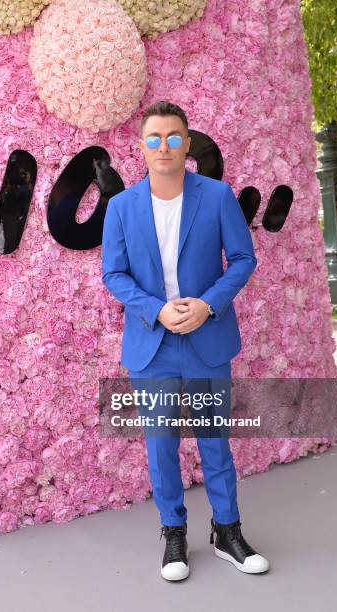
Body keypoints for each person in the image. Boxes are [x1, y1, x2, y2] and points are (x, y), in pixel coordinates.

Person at [101, 101, 269, 581]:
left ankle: (227, 531)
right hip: (151, 344)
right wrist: (155, 309)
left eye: (173, 137)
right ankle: (173, 532)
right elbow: (113, 273)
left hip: (207, 337)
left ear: (187, 144)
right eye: (154, 138)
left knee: (214, 438)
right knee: (161, 443)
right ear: (142, 147)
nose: (164, 146)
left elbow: (241, 259)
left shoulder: (217, 197)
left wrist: (207, 305)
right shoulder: (121, 207)